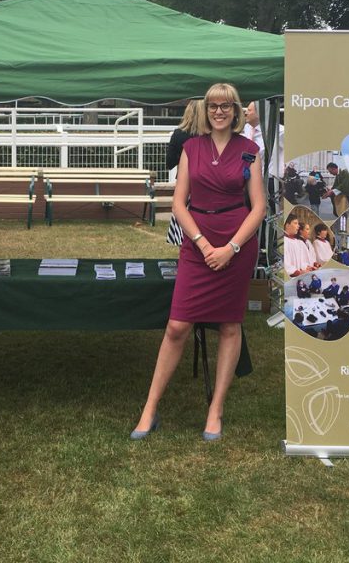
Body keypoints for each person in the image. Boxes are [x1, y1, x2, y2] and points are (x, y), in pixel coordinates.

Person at [132, 83, 266, 442]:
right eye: (212, 106)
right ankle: (149, 409)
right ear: (205, 111)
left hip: (237, 244)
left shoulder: (250, 150)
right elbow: (179, 204)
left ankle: (215, 410)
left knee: (229, 326)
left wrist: (231, 248)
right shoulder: (191, 148)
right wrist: (204, 244)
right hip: (197, 242)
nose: (219, 111)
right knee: (177, 326)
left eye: (225, 105)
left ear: (235, 111)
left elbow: (258, 208)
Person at [165, 100, 203, 246]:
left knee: (182, 216)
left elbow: (169, 163)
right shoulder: (211, 135)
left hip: (185, 183)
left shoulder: (179, 134)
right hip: (206, 182)